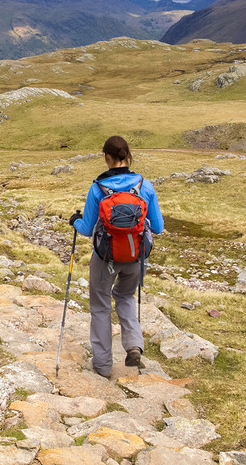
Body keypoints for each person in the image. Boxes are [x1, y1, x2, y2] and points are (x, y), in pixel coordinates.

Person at [70, 136, 164, 378]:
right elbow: (158, 227)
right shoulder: (145, 186)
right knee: (125, 297)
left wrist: (74, 221)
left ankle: (102, 365)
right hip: (135, 257)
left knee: (100, 306)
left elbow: (87, 228)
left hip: (104, 259)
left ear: (105, 157)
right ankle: (134, 346)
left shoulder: (98, 188)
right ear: (128, 155)